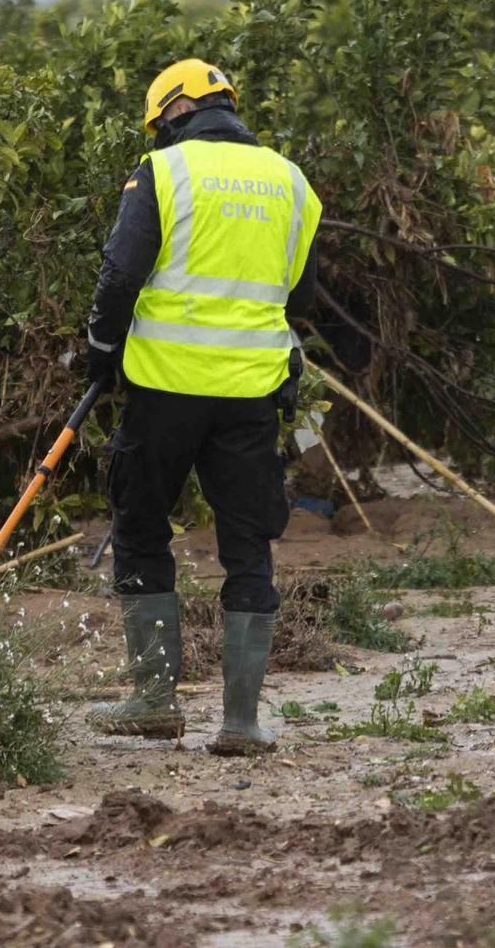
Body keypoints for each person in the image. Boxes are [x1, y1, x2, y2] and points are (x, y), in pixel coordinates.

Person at [84, 59, 321, 755]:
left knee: (141, 528)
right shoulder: (291, 181)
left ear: (177, 111)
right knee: (248, 547)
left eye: (159, 123)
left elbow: (120, 274)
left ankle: (154, 702)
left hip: (163, 388)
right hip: (251, 394)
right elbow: (301, 296)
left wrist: (101, 350)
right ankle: (242, 723)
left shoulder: (163, 173)